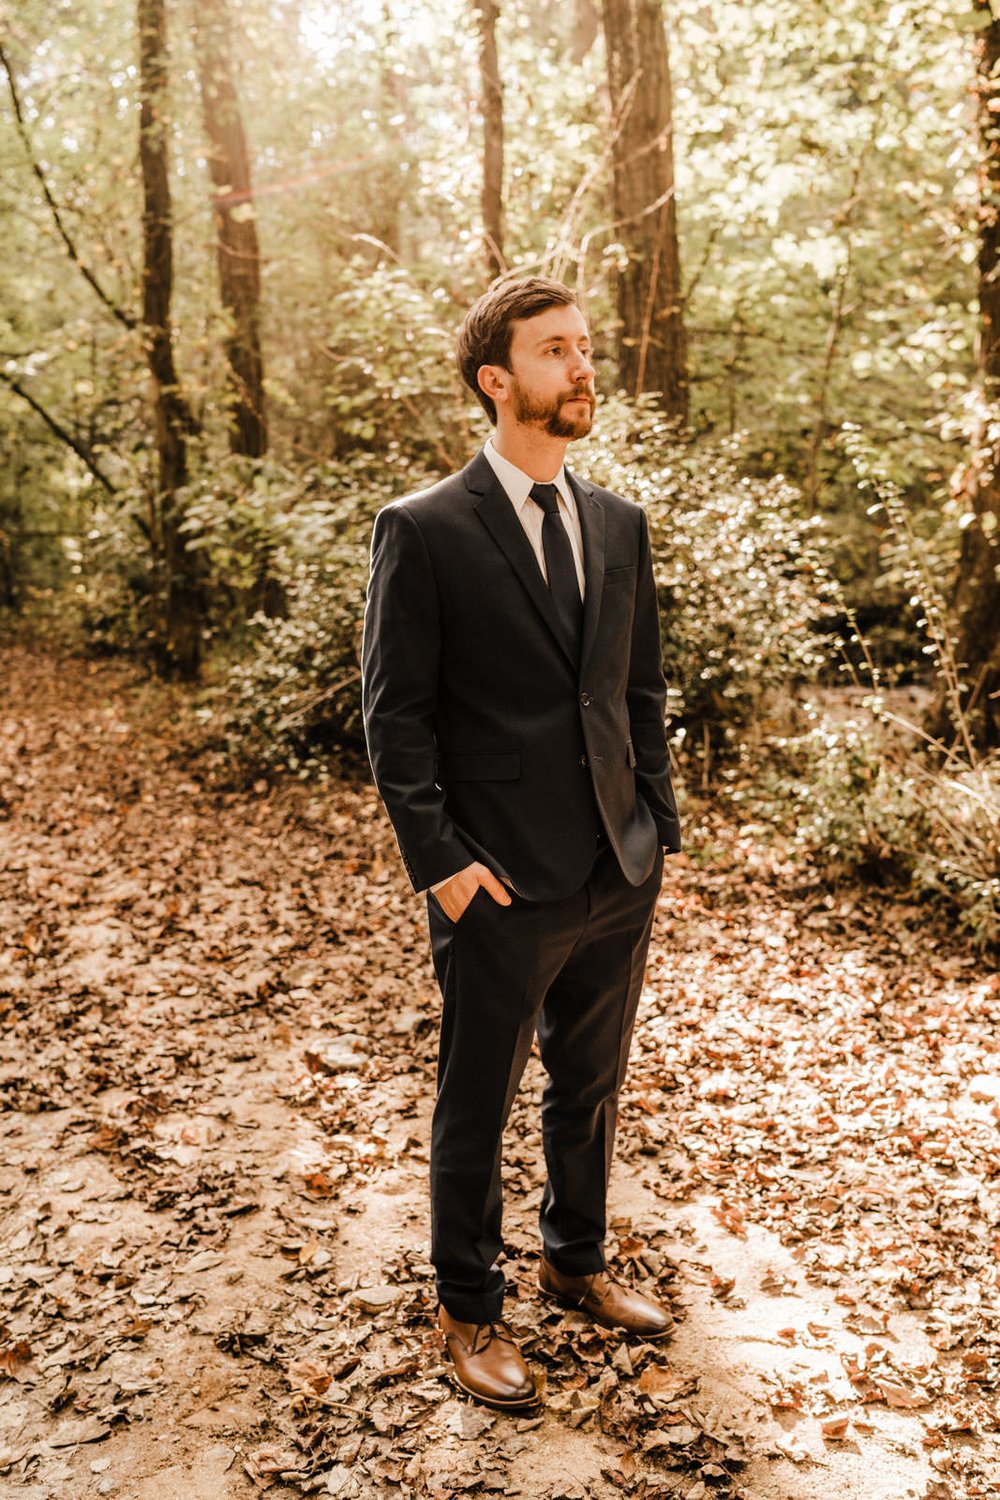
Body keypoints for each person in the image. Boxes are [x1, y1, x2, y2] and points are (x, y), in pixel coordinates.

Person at [362, 275, 681, 1410]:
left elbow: (635, 692)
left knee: (589, 1084)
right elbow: (393, 718)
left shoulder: (618, 524)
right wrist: (443, 865)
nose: (582, 368)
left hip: (614, 865)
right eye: (556, 351)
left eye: (585, 348)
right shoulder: (425, 529)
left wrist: (657, 828)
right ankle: (469, 1309)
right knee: (478, 1097)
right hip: (495, 879)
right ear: (497, 380)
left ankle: (574, 1260)